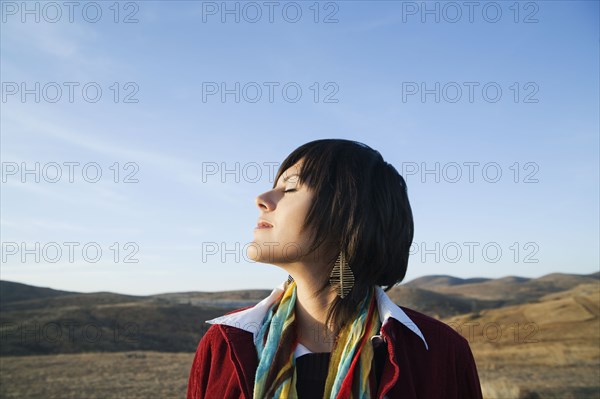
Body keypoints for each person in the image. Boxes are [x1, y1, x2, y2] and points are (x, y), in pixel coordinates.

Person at [186, 139, 483, 399]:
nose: (261, 199)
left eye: (289, 188)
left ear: (349, 215)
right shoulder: (225, 343)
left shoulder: (440, 352)